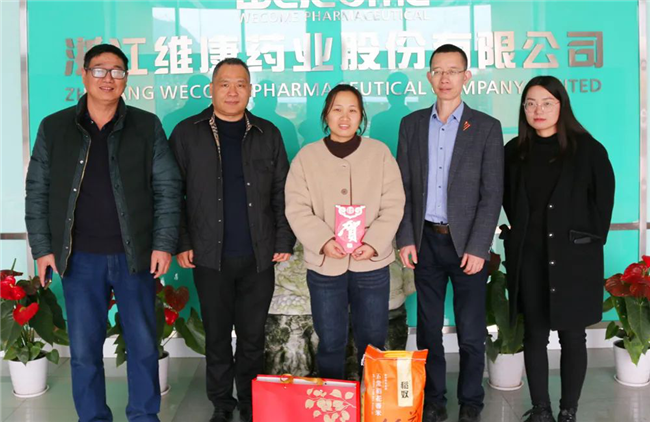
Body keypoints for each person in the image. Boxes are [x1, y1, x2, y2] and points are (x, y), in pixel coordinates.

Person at [25, 43, 182, 422]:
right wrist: (43, 249)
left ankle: (144, 416)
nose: (108, 78)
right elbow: (37, 191)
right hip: (79, 258)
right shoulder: (54, 127)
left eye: (117, 71)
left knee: (143, 346)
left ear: (126, 79)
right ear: (84, 75)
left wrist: (163, 243)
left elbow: (168, 187)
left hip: (135, 256)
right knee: (84, 351)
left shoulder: (146, 126)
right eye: (99, 70)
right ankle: (93, 417)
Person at [169, 57, 295, 422]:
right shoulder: (187, 133)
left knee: (253, 337)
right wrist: (182, 241)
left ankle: (251, 402)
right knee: (218, 336)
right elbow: (172, 192)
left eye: (240, 84)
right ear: (211, 89)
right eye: (225, 84)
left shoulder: (267, 132)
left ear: (250, 90)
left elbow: (282, 191)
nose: (232, 91)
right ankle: (222, 404)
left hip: (259, 254)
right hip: (209, 255)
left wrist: (283, 240)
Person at [396, 44, 504, 422]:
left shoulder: (486, 127)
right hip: (425, 240)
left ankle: (471, 401)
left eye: (453, 71)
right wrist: (405, 238)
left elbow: (492, 194)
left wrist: (479, 246)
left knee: (471, 331)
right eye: (438, 71)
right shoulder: (411, 125)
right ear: (429, 77)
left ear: (466, 77)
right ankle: (434, 399)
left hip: (467, 246)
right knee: (428, 330)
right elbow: (403, 187)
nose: (445, 78)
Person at [502, 76, 615, 422]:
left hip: (573, 258)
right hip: (530, 257)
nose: (538, 110)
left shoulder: (588, 150)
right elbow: (508, 199)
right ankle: (541, 409)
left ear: (561, 106)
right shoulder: (513, 151)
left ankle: (568, 410)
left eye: (547, 102)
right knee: (534, 334)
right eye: (531, 103)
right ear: (523, 109)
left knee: (572, 335)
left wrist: (584, 243)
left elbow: (603, 203)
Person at [285, 84, 405, 380]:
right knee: (330, 341)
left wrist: (374, 243)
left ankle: (372, 398)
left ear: (361, 116)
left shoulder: (379, 153)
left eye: (353, 110)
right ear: (326, 114)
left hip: (371, 263)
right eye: (337, 109)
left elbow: (394, 203)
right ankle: (334, 401)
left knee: (373, 341)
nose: (344, 116)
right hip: (326, 265)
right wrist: (323, 241)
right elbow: (296, 207)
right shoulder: (307, 157)